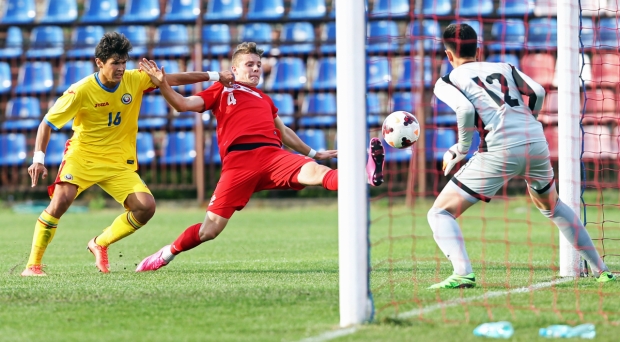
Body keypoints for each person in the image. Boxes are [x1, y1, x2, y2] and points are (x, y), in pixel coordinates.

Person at [135, 42, 385, 271]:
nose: (256, 69)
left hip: (273, 156)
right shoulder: (221, 90)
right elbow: (182, 104)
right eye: (249, 65)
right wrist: (163, 84)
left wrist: (313, 153)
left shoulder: (265, 99)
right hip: (239, 163)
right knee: (209, 230)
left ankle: (365, 175)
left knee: (318, 172)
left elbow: (283, 131)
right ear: (234, 68)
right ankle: (167, 253)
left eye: (258, 65)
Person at [21, 32, 235, 276]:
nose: (121, 68)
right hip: (84, 156)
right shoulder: (80, 91)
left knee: (146, 207)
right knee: (60, 201)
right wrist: (38, 158)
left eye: (124, 62)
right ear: (99, 63)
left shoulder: (135, 80)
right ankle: (32, 266)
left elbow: (173, 79)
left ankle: (100, 243)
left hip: (118, 161)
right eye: (115, 63)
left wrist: (216, 76)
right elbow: (46, 124)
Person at [427, 24, 615, 289]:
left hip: (499, 149)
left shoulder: (447, 80)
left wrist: (460, 148)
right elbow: (538, 92)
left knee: (440, 213)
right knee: (554, 206)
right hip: (535, 142)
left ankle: (462, 272)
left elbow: (465, 109)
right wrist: (531, 120)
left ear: (447, 55)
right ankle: (602, 271)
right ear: (478, 49)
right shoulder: (505, 67)